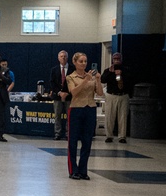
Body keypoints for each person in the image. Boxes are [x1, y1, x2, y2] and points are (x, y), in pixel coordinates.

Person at [67, 52, 103, 180]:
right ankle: (73, 170)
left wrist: (98, 80)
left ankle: (83, 170)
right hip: (76, 109)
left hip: (90, 108)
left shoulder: (92, 77)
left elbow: (100, 93)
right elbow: (74, 92)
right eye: (81, 61)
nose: (83, 64)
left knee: (87, 141)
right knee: (73, 141)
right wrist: (85, 80)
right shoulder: (71, 77)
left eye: (85, 61)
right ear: (75, 63)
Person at [101, 52, 130, 143]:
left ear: (121, 60)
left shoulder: (125, 69)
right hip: (111, 95)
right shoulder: (108, 70)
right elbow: (103, 80)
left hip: (123, 95)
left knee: (123, 117)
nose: (116, 60)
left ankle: (122, 136)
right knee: (109, 116)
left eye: (118, 59)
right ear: (112, 60)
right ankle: (109, 135)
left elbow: (130, 80)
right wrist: (111, 73)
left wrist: (121, 74)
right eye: (115, 59)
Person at [49, 50, 70, 141]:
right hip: (58, 96)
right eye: (61, 56)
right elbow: (52, 83)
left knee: (69, 116)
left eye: (65, 56)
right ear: (58, 58)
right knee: (57, 115)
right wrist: (59, 93)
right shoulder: (54, 69)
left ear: (67, 57)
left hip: (69, 96)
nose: (63, 58)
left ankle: (68, 134)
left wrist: (67, 93)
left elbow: (74, 82)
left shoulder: (72, 69)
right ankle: (57, 133)